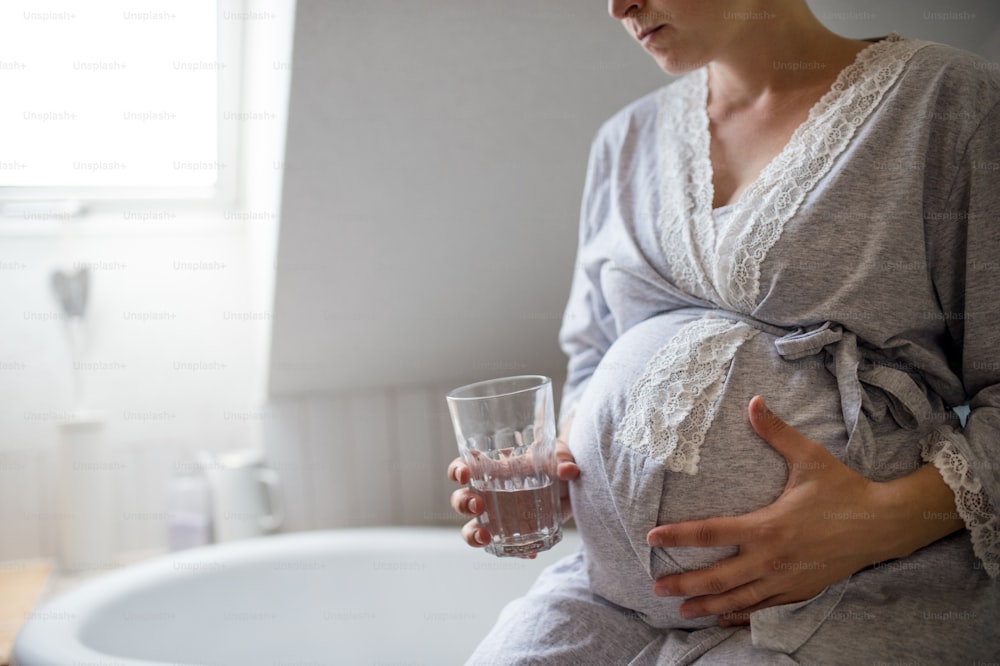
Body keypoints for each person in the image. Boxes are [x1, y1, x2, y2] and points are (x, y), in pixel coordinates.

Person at [448, 1, 1000, 662]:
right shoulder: (625, 143)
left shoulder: (949, 104)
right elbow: (591, 357)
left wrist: (873, 525)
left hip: (857, 597)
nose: (616, 5)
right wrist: (562, 467)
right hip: (608, 594)